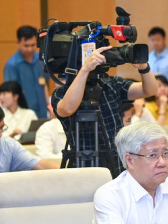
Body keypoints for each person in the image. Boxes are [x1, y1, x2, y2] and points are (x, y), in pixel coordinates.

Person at [53, 45, 156, 177]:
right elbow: (67, 109)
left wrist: (143, 67)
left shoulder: (111, 84)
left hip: (116, 164)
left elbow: (149, 90)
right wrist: (85, 69)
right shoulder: (62, 92)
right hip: (84, 167)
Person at [3, 25, 49, 119]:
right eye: (26, 46)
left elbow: (44, 84)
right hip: (24, 116)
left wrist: (49, 106)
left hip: (43, 112)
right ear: (18, 42)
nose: (30, 49)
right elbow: (10, 94)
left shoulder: (41, 60)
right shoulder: (12, 65)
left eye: (33, 45)